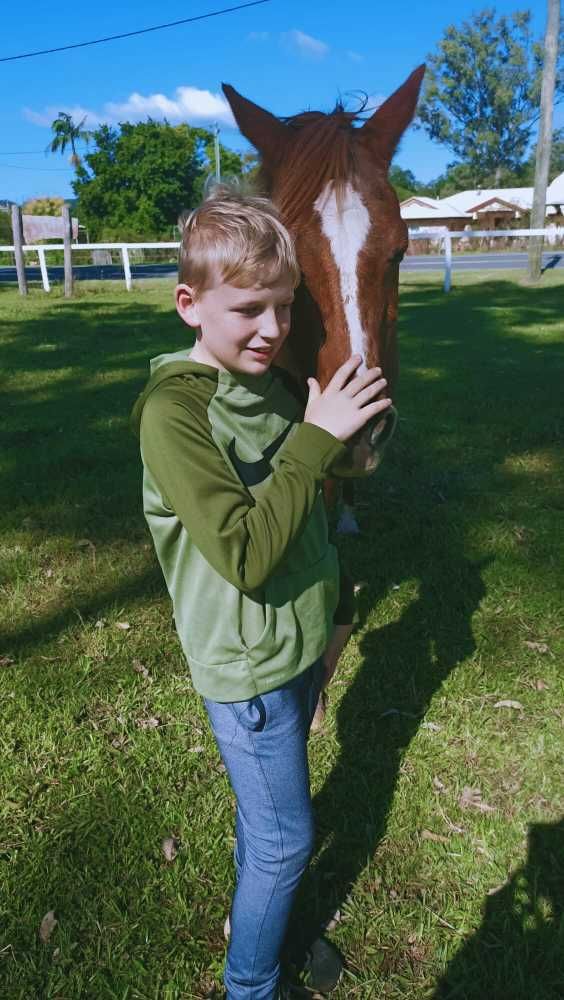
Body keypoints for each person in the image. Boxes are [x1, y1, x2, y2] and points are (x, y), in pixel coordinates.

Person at [131, 189, 393, 1000]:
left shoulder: (272, 384)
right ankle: (250, 985)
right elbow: (244, 551)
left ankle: (264, 922)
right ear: (189, 305)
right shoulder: (173, 416)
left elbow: (313, 475)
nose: (273, 329)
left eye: (283, 306)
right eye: (248, 308)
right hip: (246, 670)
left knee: (267, 821)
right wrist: (317, 442)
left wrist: (347, 445)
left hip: (296, 646)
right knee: (284, 842)